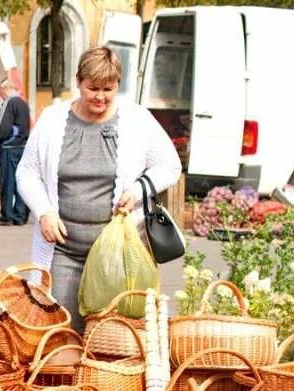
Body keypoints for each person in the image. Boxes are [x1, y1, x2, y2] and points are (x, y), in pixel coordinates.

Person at [16, 46, 181, 329]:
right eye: (93, 88)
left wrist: (137, 191)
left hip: (117, 256)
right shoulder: (52, 120)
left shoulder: (137, 119)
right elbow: (27, 172)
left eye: (109, 88)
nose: (101, 97)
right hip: (62, 251)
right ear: (78, 81)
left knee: (111, 337)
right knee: (60, 330)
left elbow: (170, 166)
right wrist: (44, 212)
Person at [0, 79, 30, 226]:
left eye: (0, 91)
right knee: (20, 182)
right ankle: (20, 215)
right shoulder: (23, 103)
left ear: (5, 89)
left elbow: (5, 128)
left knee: (7, 182)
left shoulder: (10, 103)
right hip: (22, 146)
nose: (0, 94)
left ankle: (7, 215)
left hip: (9, 147)